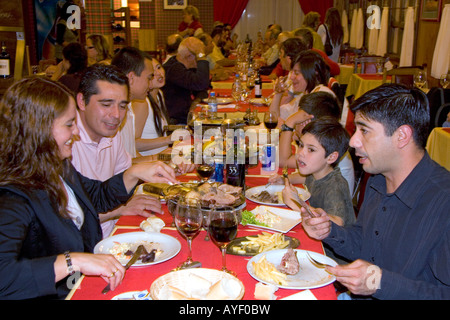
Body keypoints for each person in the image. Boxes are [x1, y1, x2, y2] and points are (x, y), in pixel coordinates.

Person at [0, 76, 179, 299]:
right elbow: (4, 277)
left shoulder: (57, 166)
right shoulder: (11, 197)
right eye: (68, 124)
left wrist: (133, 173)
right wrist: (73, 260)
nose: (76, 131)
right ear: (39, 130)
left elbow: (93, 197)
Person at [301, 84, 450, 299]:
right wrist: (330, 231)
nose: (353, 141)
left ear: (402, 136)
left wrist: (379, 282)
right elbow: (365, 243)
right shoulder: (378, 180)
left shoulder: (443, 203)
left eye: (364, 130)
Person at [72, 64, 165, 238]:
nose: (116, 115)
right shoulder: (65, 141)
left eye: (122, 106)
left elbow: (121, 181)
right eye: (106, 104)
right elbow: (68, 219)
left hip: (116, 231)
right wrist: (120, 209)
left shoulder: (112, 132)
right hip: (84, 245)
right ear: (81, 101)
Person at [281, 117, 355, 263]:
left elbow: (335, 223)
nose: (301, 153)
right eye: (301, 145)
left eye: (311, 150)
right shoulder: (316, 172)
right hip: (317, 244)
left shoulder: (335, 186)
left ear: (331, 157)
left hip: (332, 257)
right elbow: (304, 178)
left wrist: (296, 203)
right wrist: (286, 178)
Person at [270, 91, 355, 202]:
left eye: (298, 118)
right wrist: (285, 179)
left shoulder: (324, 147)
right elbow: (311, 177)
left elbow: (282, 161)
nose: (296, 123)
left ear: (307, 121)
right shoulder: (320, 142)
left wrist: (289, 123)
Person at [269, 50, 335, 122]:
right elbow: (273, 117)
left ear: (314, 72)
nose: (291, 77)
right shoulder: (304, 95)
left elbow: (310, 131)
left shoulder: (322, 97)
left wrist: (285, 126)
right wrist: (278, 94)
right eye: (292, 72)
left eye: (296, 73)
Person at [162, 37, 210, 125]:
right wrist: (201, 57)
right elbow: (201, 83)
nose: (202, 59)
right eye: (200, 56)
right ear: (189, 57)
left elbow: (203, 89)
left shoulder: (185, 67)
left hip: (185, 118)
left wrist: (195, 101)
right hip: (176, 123)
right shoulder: (173, 69)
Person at [134, 57, 172, 157]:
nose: (159, 74)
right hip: (150, 163)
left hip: (164, 157)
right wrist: (168, 139)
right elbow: (133, 144)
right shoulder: (141, 102)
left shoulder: (159, 94)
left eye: (159, 67)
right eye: (152, 72)